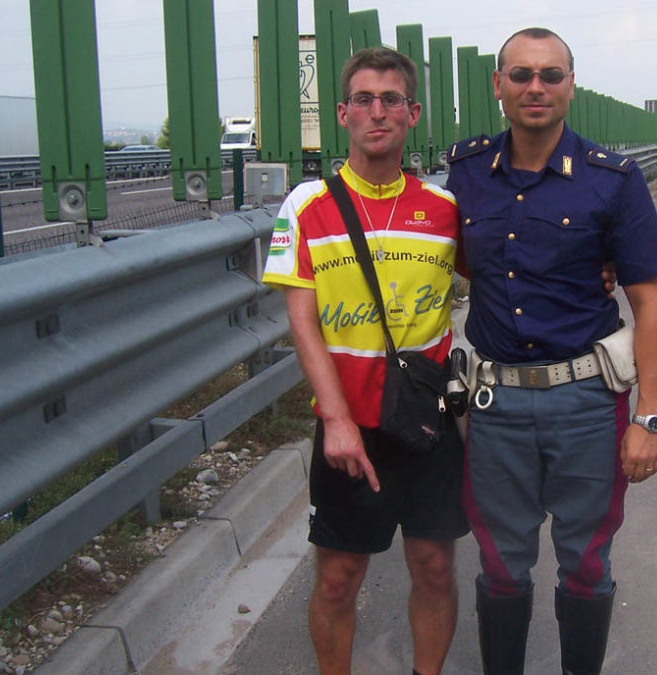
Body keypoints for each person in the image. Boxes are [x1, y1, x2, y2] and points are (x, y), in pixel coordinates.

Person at [445, 27, 657, 675]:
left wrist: (648, 418)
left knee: (587, 559)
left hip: (587, 403)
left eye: (550, 75)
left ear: (571, 85)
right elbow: (453, 260)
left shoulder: (613, 179)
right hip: (494, 404)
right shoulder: (465, 172)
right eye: (520, 75)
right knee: (499, 562)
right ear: (498, 86)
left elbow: (648, 302)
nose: (535, 87)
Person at [262, 47, 467, 675]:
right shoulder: (306, 206)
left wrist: (595, 271)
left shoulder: (445, 210)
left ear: (412, 114)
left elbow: (510, 274)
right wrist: (336, 419)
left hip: (427, 420)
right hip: (349, 424)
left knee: (434, 566)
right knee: (338, 578)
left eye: (392, 100)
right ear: (344, 114)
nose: (378, 112)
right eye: (364, 100)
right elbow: (303, 322)